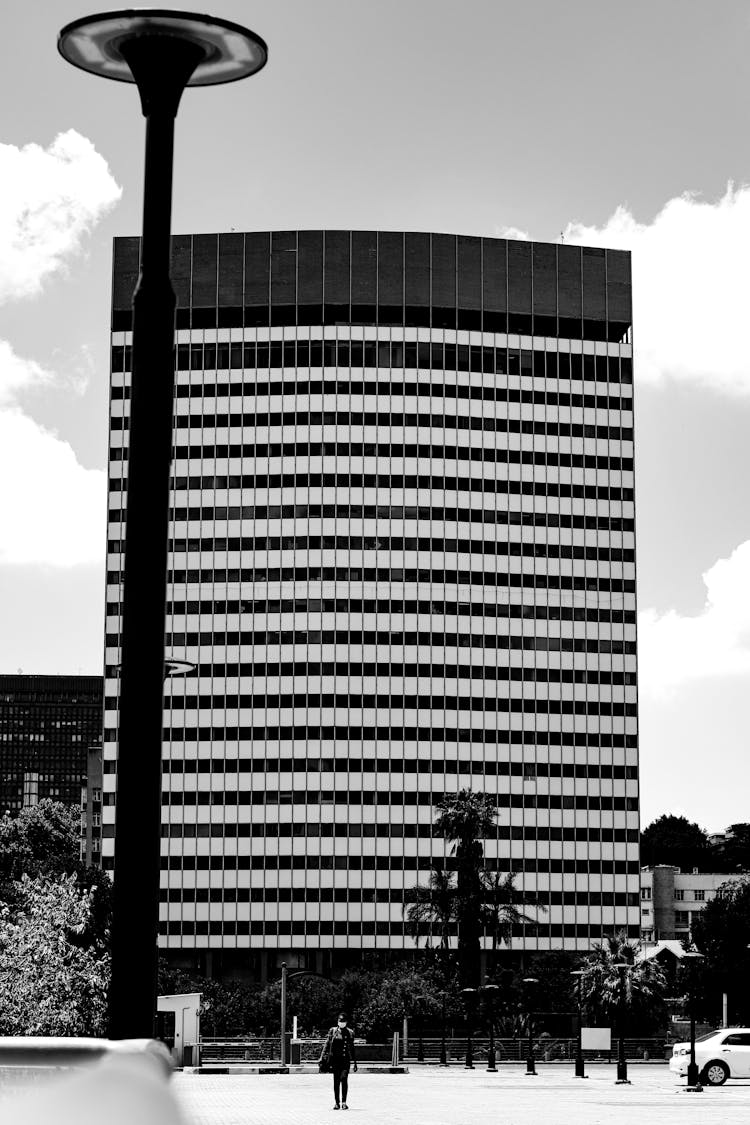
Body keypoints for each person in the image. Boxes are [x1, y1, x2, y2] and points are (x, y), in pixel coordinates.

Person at [319, 1012, 358, 1109]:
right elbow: (327, 1045)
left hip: (345, 1060)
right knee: (336, 1081)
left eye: (343, 1021)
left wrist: (355, 1062)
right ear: (338, 1021)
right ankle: (337, 1103)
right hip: (335, 1060)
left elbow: (352, 1048)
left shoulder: (350, 1032)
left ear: (346, 1022)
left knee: (344, 1079)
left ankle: (344, 1102)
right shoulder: (333, 1031)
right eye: (340, 1021)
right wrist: (322, 1056)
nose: (342, 1023)